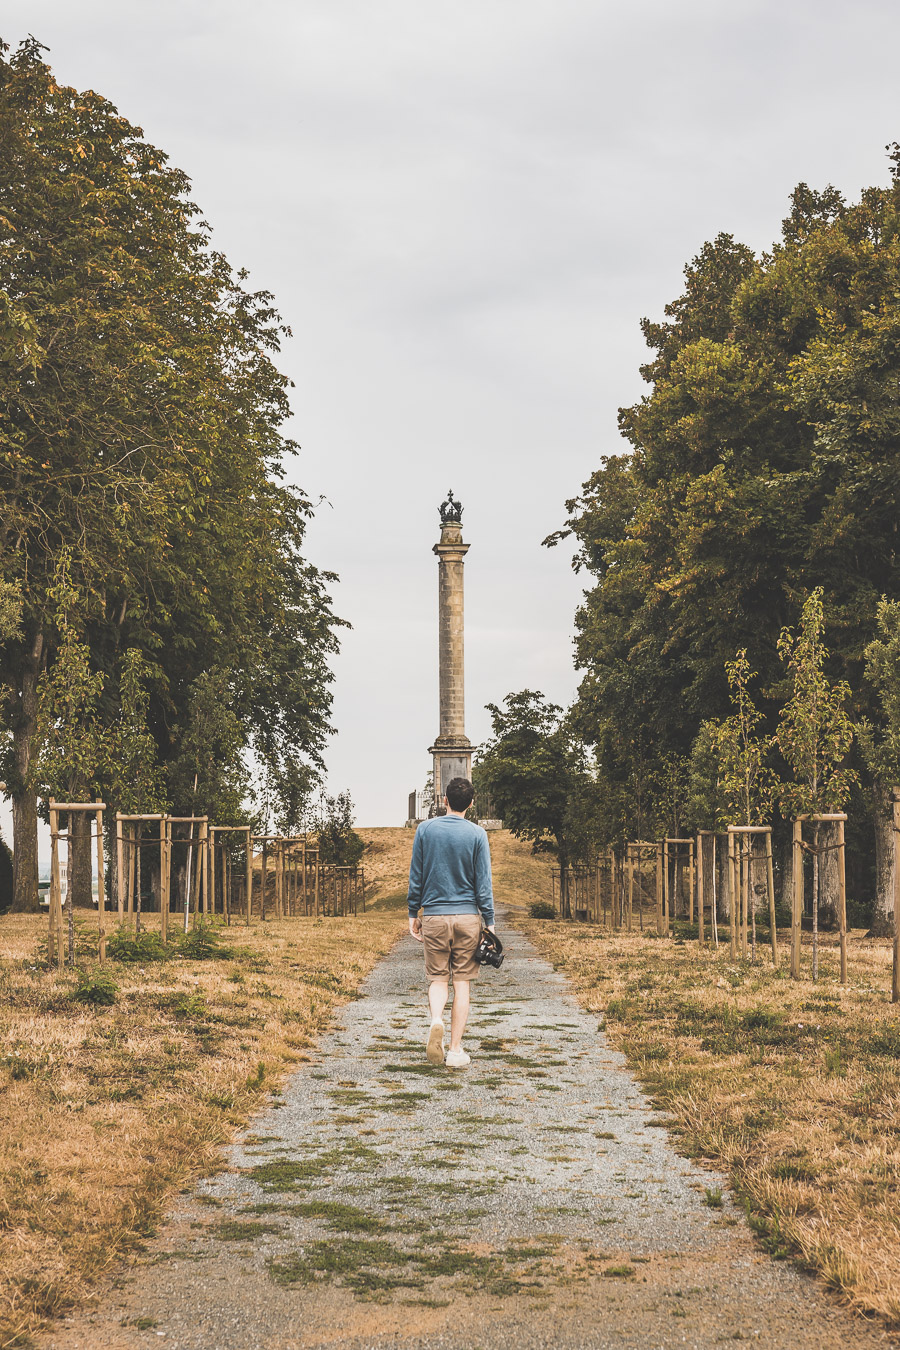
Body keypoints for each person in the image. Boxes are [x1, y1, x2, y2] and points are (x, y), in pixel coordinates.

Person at [407, 777, 495, 1068]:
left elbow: (416, 874)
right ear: (471, 803)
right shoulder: (477, 834)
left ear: (444, 800)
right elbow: (483, 883)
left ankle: (435, 1021)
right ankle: (455, 1050)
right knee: (462, 982)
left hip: (434, 915)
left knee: (437, 978)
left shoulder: (425, 830)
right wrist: (490, 921)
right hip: (467, 918)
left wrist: (413, 913)